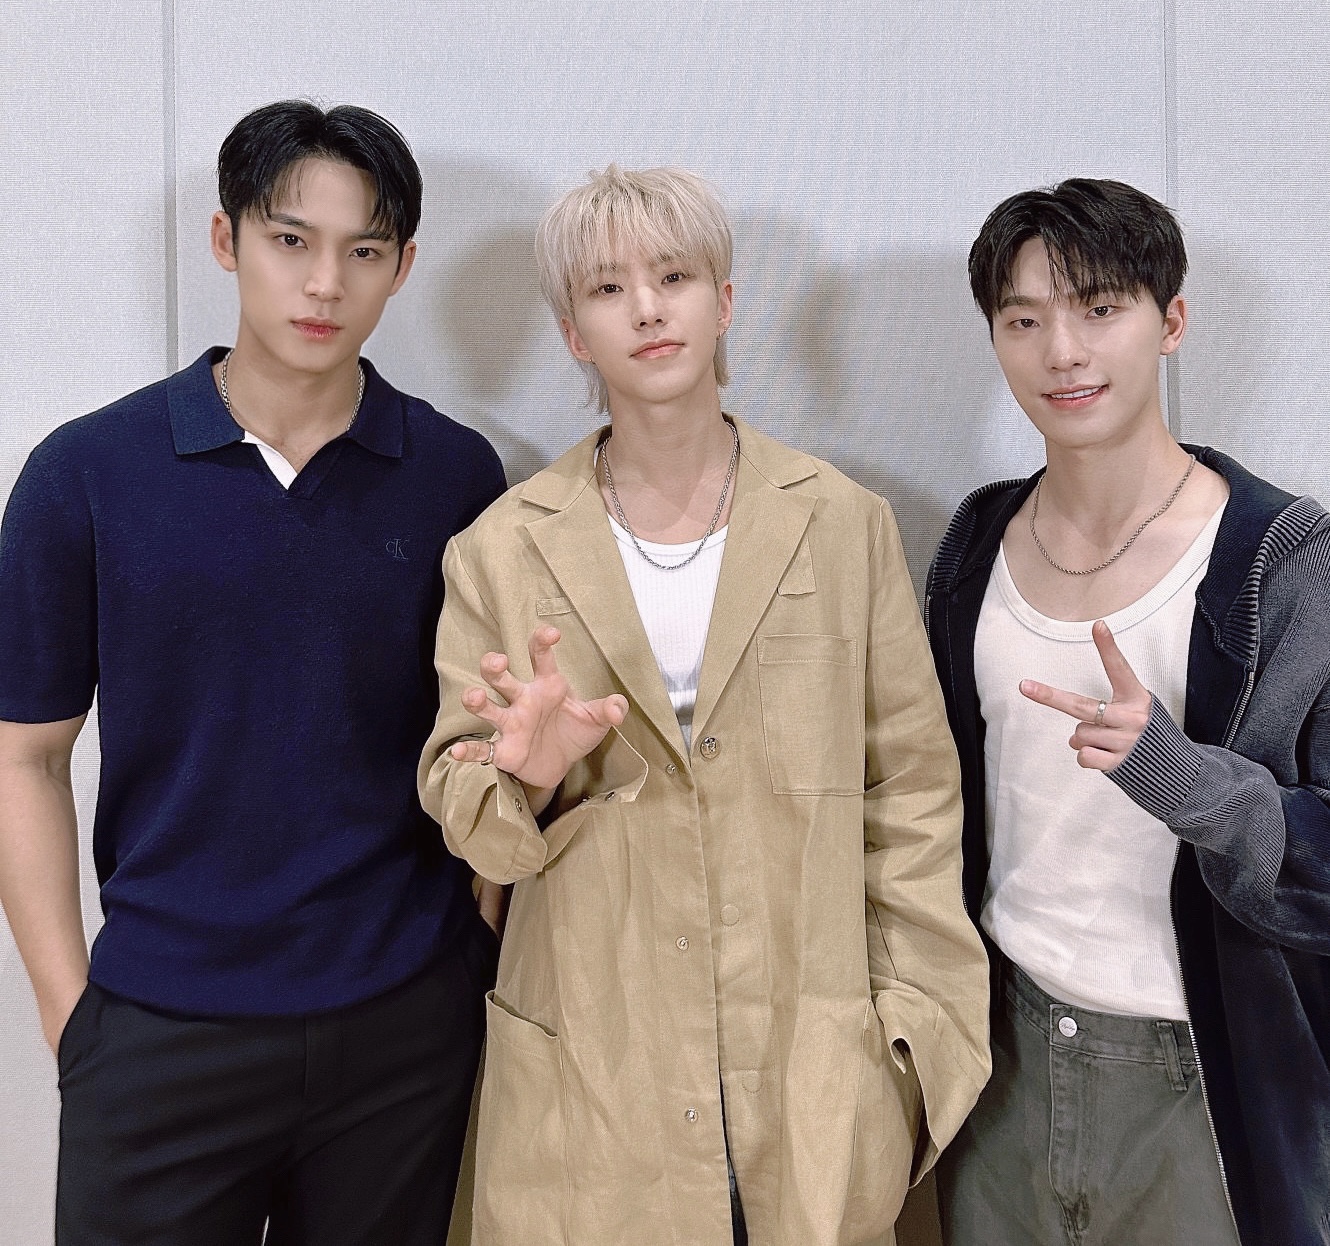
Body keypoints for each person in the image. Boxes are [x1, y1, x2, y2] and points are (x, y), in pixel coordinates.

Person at [417, 164, 989, 1246]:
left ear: (723, 302)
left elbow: (912, 794)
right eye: (607, 288)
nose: (646, 308)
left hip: (813, 1073)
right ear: (573, 333)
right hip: (595, 1077)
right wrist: (525, 776)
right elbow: (466, 812)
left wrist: (913, 1042)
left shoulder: (841, 523)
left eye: (673, 276)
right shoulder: (500, 547)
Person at [0, 100, 506, 1244]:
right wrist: (73, 1018)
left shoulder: (456, 475)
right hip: (161, 1027)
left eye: (363, 251)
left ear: (402, 268)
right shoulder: (86, 473)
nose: (324, 284)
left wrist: (471, 950)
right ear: (227, 240)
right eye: (291, 240)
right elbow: (24, 756)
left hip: (401, 1027)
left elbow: (483, 734)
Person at [927, 178, 1330, 1246]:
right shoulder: (975, 543)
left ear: (1171, 321)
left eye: (1100, 308)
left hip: (1200, 1078)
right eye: (1023, 321)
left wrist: (1185, 780)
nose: (1062, 351)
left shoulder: (1282, 562)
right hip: (1002, 1057)